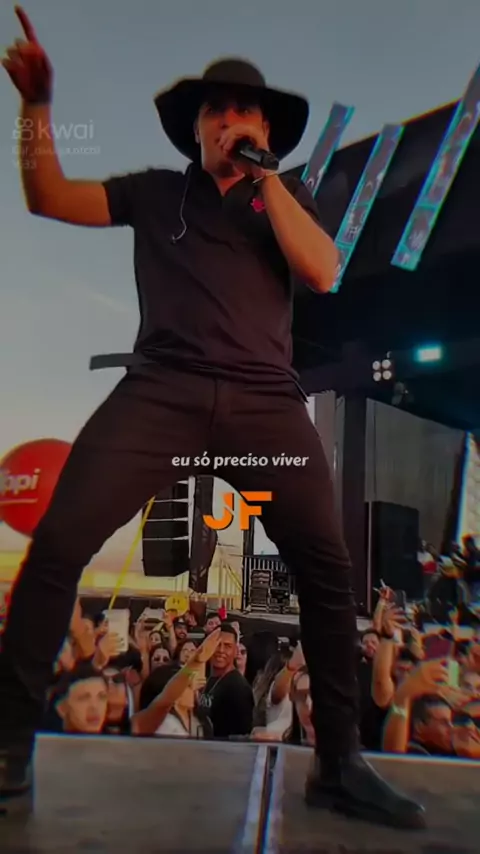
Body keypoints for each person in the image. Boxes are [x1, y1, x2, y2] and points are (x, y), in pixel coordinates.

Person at [0, 7, 424, 829]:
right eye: (217, 110)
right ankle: (9, 745)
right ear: (195, 129)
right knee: (57, 544)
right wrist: (38, 107)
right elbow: (47, 197)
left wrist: (267, 179)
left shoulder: (284, 199)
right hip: (162, 392)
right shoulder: (157, 193)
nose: (231, 119)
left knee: (328, 568)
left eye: (245, 110)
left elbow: (324, 271)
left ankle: (338, 763)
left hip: (264, 402)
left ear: (265, 129)